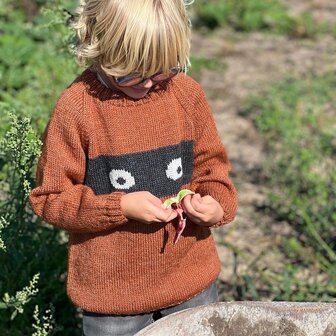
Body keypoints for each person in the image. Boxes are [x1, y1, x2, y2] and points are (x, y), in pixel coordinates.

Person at [29, 0, 238, 335]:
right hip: (114, 301)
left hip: (192, 282)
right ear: (96, 45)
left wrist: (214, 206)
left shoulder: (185, 95)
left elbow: (213, 170)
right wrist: (120, 206)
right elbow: (50, 198)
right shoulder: (78, 109)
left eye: (160, 71)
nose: (146, 84)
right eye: (128, 73)